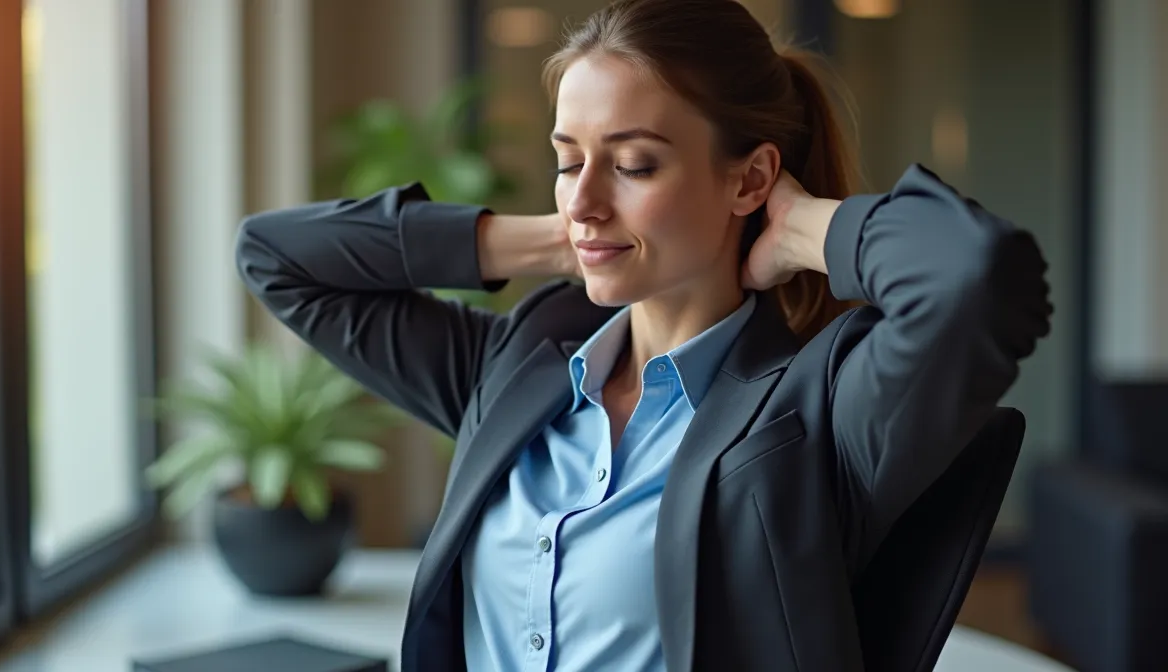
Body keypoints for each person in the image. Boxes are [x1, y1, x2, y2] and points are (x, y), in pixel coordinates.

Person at [235, 0, 1052, 669]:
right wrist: (555, 238)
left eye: (632, 165)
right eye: (568, 159)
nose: (585, 196)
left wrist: (801, 227)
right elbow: (276, 257)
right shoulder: (517, 369)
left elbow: (978, 278)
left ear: (750, 176)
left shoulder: (817, 414)